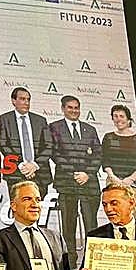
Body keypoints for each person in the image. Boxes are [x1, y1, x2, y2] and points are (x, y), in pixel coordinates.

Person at [49, 95, 100, 260]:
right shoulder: (54, 128)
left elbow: (98, 154)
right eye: (70, 107)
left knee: (91, 224)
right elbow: (55, 154)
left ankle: (92, 258)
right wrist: (74, 173)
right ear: (63, 108)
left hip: (89, 183)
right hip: (66, 183)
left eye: (76, 107)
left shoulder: (90, 129)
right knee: (68, 223)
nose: (74, 111)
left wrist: (88, 173)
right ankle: (70, 258)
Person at [0, 86, 52, 199]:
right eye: (22, 99)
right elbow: (3, 145)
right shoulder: (5, 119)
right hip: (15, 172)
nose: (26, 102)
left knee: (37, 212)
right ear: (13, 101)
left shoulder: (40, 121)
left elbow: (49, 146)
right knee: (18, 210)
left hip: (39, 173)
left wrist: (34, 165)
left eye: (28, 99)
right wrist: (22, 165)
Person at [100, 105, 136, 222]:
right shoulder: (108, 137)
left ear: (128, 119)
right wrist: (113, 178)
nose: (118, 119)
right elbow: (105, 160)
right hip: (114, 181)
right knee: (118, 219)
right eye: (115, 116)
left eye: (121, 116)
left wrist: (130, 180)